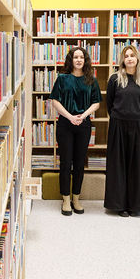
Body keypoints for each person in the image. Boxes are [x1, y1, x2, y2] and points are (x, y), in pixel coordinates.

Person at [48, 47, 101, 215]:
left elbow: (96, 102)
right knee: (65, 162)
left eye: (81, 57)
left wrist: (82, 116)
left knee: (79, 163)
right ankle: (65, 199)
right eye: (75, 57)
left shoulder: (91, 80)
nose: (78, 60)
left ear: (85, 60)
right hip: (65, 123)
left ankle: (76, 198)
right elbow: (55, 101)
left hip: (83, 124)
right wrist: (70, 116)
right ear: (71, 60)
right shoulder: (62, 78)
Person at [104, 45, 140, 216]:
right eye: (127, 56)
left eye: (132, 55)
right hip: (118, 125)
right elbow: (109, 103)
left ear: (137, 58)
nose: (130, 58)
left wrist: (135, 114)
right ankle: (120, 206)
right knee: (118, 165)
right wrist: (119, 116)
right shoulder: (115, 79)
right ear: (123, 60)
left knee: (136, 165)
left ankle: (135, 205)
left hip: (136, 125)